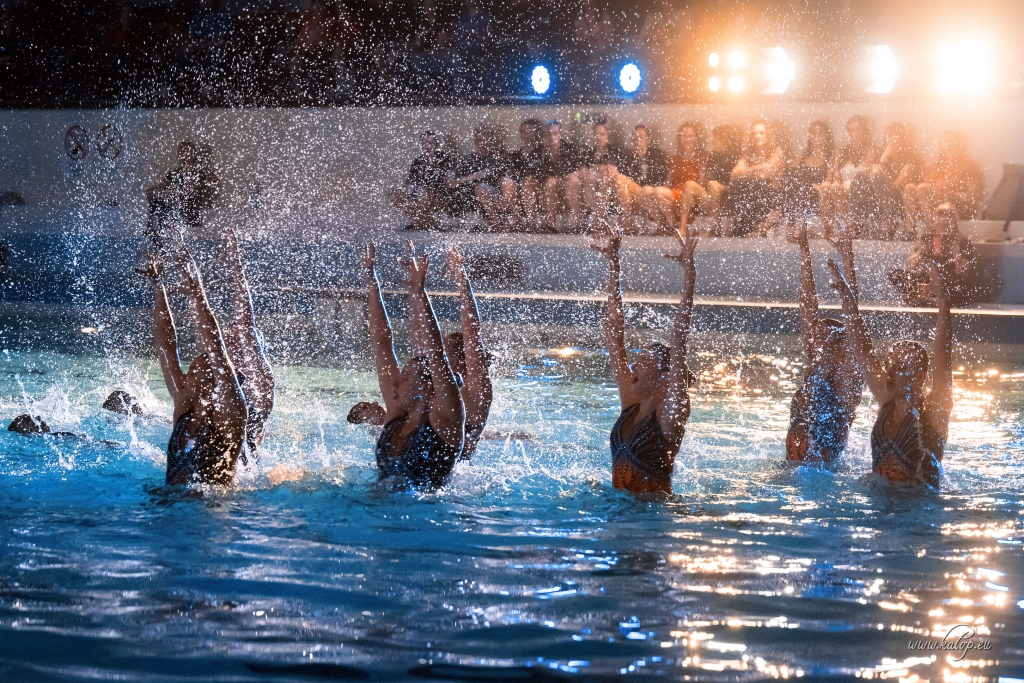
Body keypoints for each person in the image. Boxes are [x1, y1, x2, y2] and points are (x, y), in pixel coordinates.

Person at [828, 252, 953, 489]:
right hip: (880, 510)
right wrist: (846, 296)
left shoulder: (935, 412)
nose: (893, 370)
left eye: (903, 366)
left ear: (921, 375)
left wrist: (944, 302)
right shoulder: (887, 400)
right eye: (891, 365)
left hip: (918, 515)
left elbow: (941, 358)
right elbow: (862, 349)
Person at [590, 227, 697, 494]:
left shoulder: (670, 415)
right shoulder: (632, 404)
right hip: (620, 509)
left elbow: (679, 339)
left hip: (655, 518)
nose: (634, 366)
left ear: (665, 377)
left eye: (645, 362)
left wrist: (689, 277)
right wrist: (614, 267)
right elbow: (613, 335)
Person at [140, 247, 248, 487]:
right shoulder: (185, 407)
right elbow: (166, 346)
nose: (184, 375)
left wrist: (196, 295)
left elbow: (218, 351)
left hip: (211, 514)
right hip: (175, 511)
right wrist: (159, 286)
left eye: (192, 373)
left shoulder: (230, 416)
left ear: (212, 384)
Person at [362, 242, 465, 488]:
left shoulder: (446, 421)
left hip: (428, 519)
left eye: (406, 377)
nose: (396, 382)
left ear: (429, 387)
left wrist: (419, 293)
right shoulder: (397, 414)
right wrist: (373, 282)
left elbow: (437, 354)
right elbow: (382, 345)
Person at [786, 218, 863, 463]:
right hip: (796, 469)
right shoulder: (817, 364)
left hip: (825, 474)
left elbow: (853, 315)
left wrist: (848, 258)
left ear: (841, 348)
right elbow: (807, 304)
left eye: (823, 341)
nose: (816, 345)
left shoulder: (846, 379)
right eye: (816, 340)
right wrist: (803, 248)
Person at [220, 225, 275, 454]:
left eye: (236, 343)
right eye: (228, 343)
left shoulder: (259, 386)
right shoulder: (217, 380)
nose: (231, 347)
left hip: (245, 471)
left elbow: (246, 325)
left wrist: (236, 266)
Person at [444, 247, 493, 459]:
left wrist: (462, 281)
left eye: (443, 354)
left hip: (453, 476)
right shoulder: (441, 387)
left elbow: (473, 333)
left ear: (455, 360)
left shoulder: (476, 391)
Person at [889, 203, 979, 307]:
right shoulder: (928, 239)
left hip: (948, 282)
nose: (943, 219)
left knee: (957, 286)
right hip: (928, 281)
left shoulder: (962, 241)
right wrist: (920, 252)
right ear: (935, 221)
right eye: (940, 216)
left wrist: (957, 255)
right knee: (895, 274)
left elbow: (963, 273)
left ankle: (931, 298)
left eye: (948, 216)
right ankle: (927, 297)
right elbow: (912, 265)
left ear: (954, 221)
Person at [904, 129, 983, 234]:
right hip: (933, 204)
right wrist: (935, 189)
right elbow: (923, 191)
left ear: (960, 144)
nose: (948, 144)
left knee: (922, 188)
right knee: (909, 187)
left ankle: (932, 229)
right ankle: (911, 230)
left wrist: (951, 193)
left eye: (952, 141)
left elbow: (973, 196)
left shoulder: (969, 166)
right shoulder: (936, 167)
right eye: (945, 141)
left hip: (955, 205)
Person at [144, 141, 218, 250]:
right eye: (181, 152)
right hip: (174, 204)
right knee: (156, 200)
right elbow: (163, 186)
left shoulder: (200, 172)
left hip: (191, 209)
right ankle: (155, 233)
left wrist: (173, 192)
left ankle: (161, 236)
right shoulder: (175, 172)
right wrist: (154, 191)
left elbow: (193, 193)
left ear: (193, 154)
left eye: (187, 152)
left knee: (171, 203)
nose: (183, 155)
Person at [449, 124, 516, 231]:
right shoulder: (469, 159)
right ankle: (495, 222)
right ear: (475, 141)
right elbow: (453, 179)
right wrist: (453, 176)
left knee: (493, 185)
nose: (483, 144)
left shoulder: (498, 156)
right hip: (478, 197)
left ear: (491, 140)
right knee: (477, 188)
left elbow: (486, 173)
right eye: (479, 140)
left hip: (499, 196)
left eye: (486, 139)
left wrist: (462, 180)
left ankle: (505, 221)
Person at [389, 130, 459, 231]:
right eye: (424, 143)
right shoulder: (418, 162)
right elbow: (410, 182)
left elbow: (450, 180)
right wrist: (406, 191)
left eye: (430, 143)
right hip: (420, 193)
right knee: (395, 194)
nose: (427, 146)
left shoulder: (444, 158)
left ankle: (421, 223)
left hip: (439, 194)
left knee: (423, 193)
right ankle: (424, 222)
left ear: (435, 144)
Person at [678, 124, 741, 237]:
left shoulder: (735, 157)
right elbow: (706, 179)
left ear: (724, 140)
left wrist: (723, 187)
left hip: (726, 194)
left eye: (715, 139)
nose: (712, 142)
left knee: (713, 184)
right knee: (690, 184)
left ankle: (716, 227)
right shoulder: (712, 156)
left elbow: (736, 180)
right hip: (712, 196)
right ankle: (682, 228)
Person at [819, 115, 877, 236]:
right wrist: (835, 164)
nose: (854, 133)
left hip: (861, 191)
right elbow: (836, 179)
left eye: (858, 129)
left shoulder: (870, 150)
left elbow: (866, 174)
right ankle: (828, 230)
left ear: (864, 131)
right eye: (851, 130)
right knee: (826, 187)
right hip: (842, 190)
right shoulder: (843, 152)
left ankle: (848, 228)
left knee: (835, 188)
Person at [728, 120, 785, 237]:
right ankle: (744, 228)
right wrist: (757, 168)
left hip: (771, 192)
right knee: (741, 184)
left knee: (749, 184)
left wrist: (747, 172)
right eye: (754, 133)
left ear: (768, 135)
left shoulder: (776, 151)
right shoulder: (748, 154)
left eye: (761, 133)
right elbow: (734, 174)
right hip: (751, 193)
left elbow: (767, 174)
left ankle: (745, 229)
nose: (757, 136)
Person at [616, 125, 674, 234]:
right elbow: (625, 182)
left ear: (648, 139)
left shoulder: (657, 155)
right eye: (635, 137)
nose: (638, 140)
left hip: (653, 192)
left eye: (642, 137)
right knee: (620, 179)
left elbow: (661, 179)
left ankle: (662, 223)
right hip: (637, 193)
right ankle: (628, 222)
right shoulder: (627, 157)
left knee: (647, 190)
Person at [868, 122, 921, 239]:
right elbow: (872, 177)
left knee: (900, 187)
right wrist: (885, 155)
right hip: (883, 201)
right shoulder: (880, 156)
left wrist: (884, 188)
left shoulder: (911, 156)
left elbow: (898, 185)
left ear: (903, 139)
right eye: (889, 135)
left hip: (900, 198)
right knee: (874, 174)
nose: (892, 139)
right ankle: (888, 224)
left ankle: (902, 229)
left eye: (896, 136)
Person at [782, 121, 834, 229]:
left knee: (803, 189)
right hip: (800, 194)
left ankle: (793, 224)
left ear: (826, 135)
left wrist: (813, 187)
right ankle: (788, 222)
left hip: (817, 196)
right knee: (787, 179)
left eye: (819, 133)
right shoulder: (801, 157)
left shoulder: (830, 157)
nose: (816, 136)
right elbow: (793, 178)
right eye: (813, 133)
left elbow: (828, 182)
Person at [536, 120, 584, 233]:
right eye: (548, 134)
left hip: (568, 187)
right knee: (550, 182)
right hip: (550, 188)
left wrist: (561, 177)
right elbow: (538, 172)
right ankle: (550, 222)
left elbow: (577, 171)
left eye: (555, 133)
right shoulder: (540, 151)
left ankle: (575, 221)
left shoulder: (570, 149)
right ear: (544, 135)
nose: (552, 137)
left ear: (560, 134)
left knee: (572, 181)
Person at [578, 119, 626, 228]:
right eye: (595, 134)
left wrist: (597, 169)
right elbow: (584, 170)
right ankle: (599, 216)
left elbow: (612, 170)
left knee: (604, 181)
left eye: (602, 134)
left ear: (607, 136)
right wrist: (597, 170)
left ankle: (599, 218)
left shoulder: (614, 151)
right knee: (588, 182)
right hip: (594, 182)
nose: (598, 137)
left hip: (609, 182)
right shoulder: (589, 152)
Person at [507, 119, 545, 230]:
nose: (526, 134)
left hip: (539, 189)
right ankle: (517, 218)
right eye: (523, 131)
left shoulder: (542, 152)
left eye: (529, 131)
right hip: (521, 189)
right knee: (507, 182)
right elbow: (512, 175)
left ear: (536, 133)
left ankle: (531, 221)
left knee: (528, 181)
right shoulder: (515, 156)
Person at [670, 122, 708, 234]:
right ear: (679, 138)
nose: (687, 139)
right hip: (676, 192)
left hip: (694, 193)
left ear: (696, 138)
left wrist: (688, 195)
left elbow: (702, 182)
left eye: (690, 136)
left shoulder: (701, 157)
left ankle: (682, 227)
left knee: (689, 184)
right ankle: (669, 225)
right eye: (684, 136)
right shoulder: (674, 159)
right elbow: (668, 181)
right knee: (656, 192)